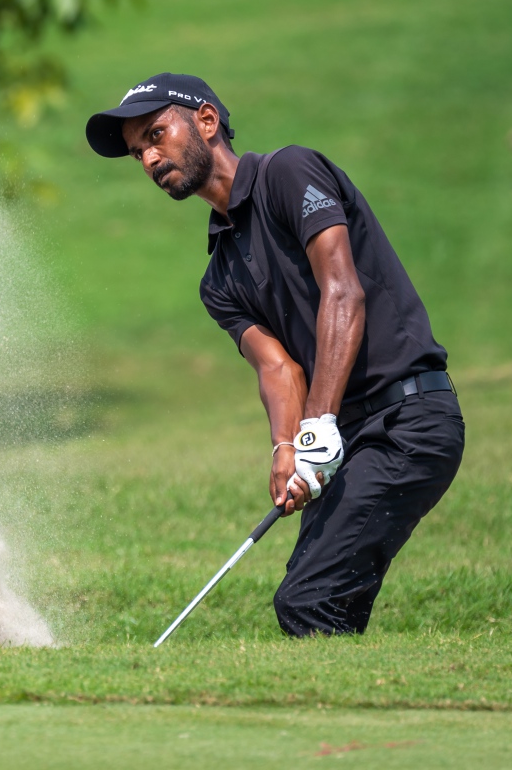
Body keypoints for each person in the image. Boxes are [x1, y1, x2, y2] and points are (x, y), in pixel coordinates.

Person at [84, 73, 465, 636]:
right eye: (140, 150)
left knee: (308, 598)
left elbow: (343, 291)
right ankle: (355, 716)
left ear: (207, 121)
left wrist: (318, 424)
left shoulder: (290, 173)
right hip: (349, 440)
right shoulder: (218, 279)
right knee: (317, 600)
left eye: (157, 134)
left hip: (410, 421)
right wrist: (287, 448)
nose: (149, 158)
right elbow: (277, 367)